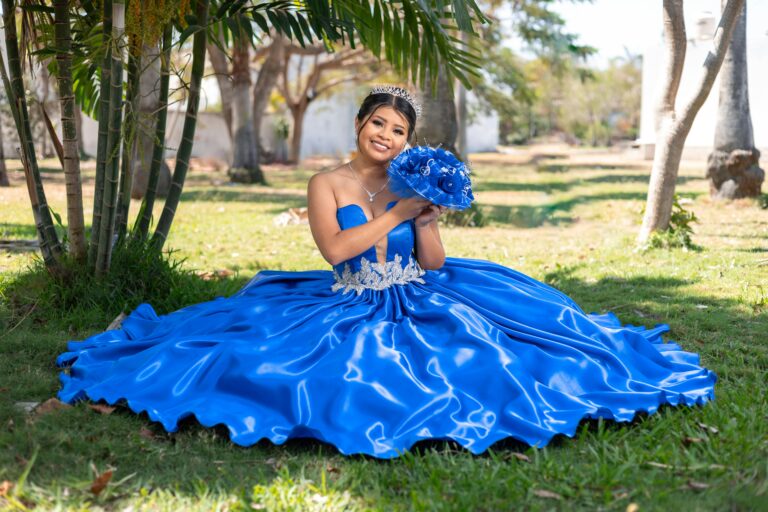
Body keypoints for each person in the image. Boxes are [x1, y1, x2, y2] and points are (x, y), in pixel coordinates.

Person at [56, 86, 716, 459]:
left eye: (399, 130)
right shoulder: (327, 182)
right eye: (379, 123)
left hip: (418, 291)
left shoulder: (411, 179)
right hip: (347, 297)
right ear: (361, 125)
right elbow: (338, 252)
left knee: (508, 346)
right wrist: (397, 207)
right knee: (269, 355)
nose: (388, 136)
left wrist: (425, 217)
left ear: (408, 139)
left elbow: (434, 264)